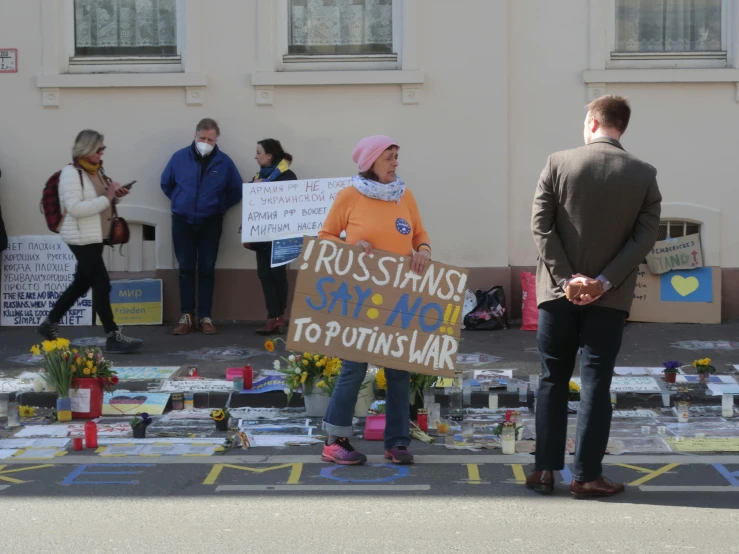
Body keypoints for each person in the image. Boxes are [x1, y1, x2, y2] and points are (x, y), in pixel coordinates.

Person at [528, 95, 662, 499]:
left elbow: (540, 225)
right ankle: (586, 476)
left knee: (552, 379)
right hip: (610, 298)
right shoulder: (643, 173)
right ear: (621, 126)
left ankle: (544, 471)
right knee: (595, 382)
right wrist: (603, 282)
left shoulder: (557, 162)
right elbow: (645, 237)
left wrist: (569, 279)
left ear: (591, 122)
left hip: (556, 292)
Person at [317, 135, 432, 466]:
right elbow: (325, 238)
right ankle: (335, 441)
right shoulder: (349, 196)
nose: (396, 162)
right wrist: (349, 249)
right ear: (370, 163)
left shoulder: (404, 195)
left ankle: (396, 442)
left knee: (398, 369)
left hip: (398, 296)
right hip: (359, 296)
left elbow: (419, 235)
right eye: (389, 157)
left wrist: (423, 251)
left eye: (397, 156)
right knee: (354, 368)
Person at [37, 130, 143, 354]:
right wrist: (107, 198)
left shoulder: (95, 171)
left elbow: (103, 199)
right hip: (80, 237)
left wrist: (116, 193)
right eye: (99, 149)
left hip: (95, 237)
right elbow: (75, 209)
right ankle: (113, 336)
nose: (102, 153)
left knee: (81, 283)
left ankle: (49, 323)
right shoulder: (71, 174)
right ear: (86, 149)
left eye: (103, 149)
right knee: (102, 282)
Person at [161, 118, 243, 335]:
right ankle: (186, 316)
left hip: (210, 222)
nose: (205, 142)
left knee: (207, 269)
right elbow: (166, 183)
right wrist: (180, 201)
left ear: (216, 140)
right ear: (195, 136)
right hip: (182, 221)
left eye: (210, 139)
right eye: (202, 138)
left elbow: (236, 190)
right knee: (186, 269)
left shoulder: (224, 162)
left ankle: (205, 316)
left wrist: (219, 207)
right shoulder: (179, 158)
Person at [247, 139, 297, 335]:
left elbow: (292, 203)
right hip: (262, 236)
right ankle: (272, 316)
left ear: (269, 155)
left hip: (280, 237)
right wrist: (254, 186)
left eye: (258, 152)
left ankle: (278, 317)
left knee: (277, 275)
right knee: (264, 275)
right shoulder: (259, 176)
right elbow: (251, 203)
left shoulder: (287, 176)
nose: (255, 156)